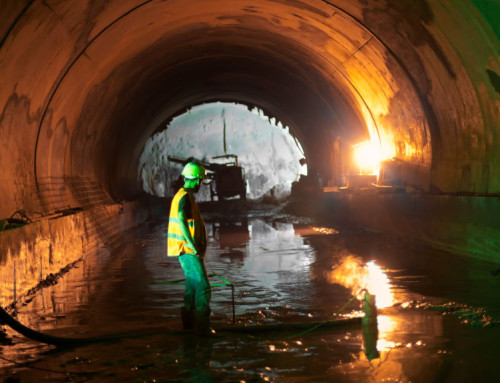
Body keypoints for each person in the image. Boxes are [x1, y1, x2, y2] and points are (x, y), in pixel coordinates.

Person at [167, 161, 211, 335]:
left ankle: (189, 328)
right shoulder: (184, 197)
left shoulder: (184, 195)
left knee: (192, 287)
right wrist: (192, 246)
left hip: (187, 251)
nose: (201, 184)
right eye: (201, 180)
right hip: (188, 251)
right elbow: (181, 220)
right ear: (196, 180)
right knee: (203, 287)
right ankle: (203, 330)